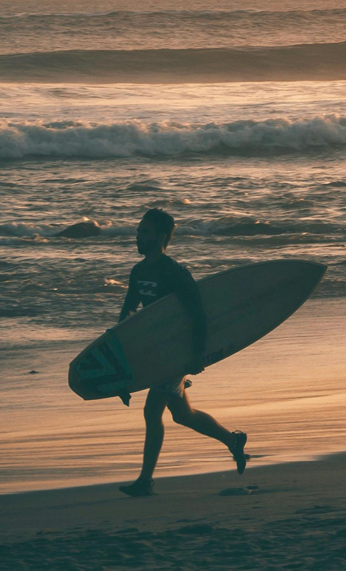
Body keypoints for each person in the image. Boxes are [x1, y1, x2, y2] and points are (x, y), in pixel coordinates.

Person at [117, 208, 247, 497]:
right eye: (138, 231)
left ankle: (145, 481)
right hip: (157, 352)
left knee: (152, 411)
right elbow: (128, 314)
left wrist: (196, 355)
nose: (138, 236)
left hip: (177, 354)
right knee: (182, 414)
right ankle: (233, 442)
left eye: (144, 232)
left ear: (160, 237)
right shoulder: (138, 272)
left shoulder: (174, 273)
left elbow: (198, 315)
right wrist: (119, 356)